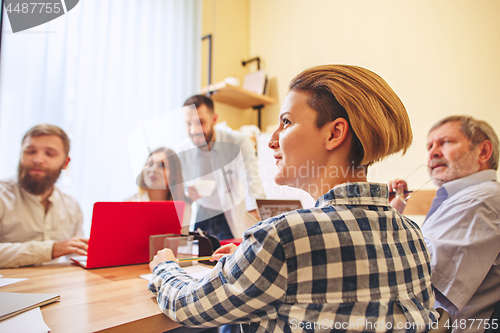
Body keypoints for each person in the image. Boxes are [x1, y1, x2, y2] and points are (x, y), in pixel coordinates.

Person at [148, 65, 438, 332]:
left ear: (334, 133)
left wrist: (165, 266)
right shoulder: (413, 236)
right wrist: (250, 259)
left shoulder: (285, 237)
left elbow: (187, 305)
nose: (273, 139)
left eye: (286, 122)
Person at [389, 116, 500, 333]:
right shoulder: (465, 199)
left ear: (483, 151)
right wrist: (394, 212)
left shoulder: (478, 201)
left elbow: (414, 281)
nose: (433, 152)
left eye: (446, 142)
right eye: (430, 146)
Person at [176, 95, 266, 240]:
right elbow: (176, 190)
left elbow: (252, 181)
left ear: (214, 119)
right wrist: (188, 194)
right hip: (202, 212)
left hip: (228, 214)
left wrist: (256, 220)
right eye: (188, 124)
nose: (194, 130)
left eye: (200, 122)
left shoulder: (237, 142)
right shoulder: (181, 150)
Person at [0, 124, 87, 268]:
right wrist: (51, 249)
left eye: (49, 153)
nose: (38, 159)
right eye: (30, 151)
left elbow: (77, 256)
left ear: (65, 163)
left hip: (53, 287)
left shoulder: (71, 205)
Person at [126, 147, 191, 234]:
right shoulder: (129, 205)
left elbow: (182, 244)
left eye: (162, 165)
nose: (153, 170)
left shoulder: (184, 207)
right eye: (149, 164)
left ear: (174, 175)